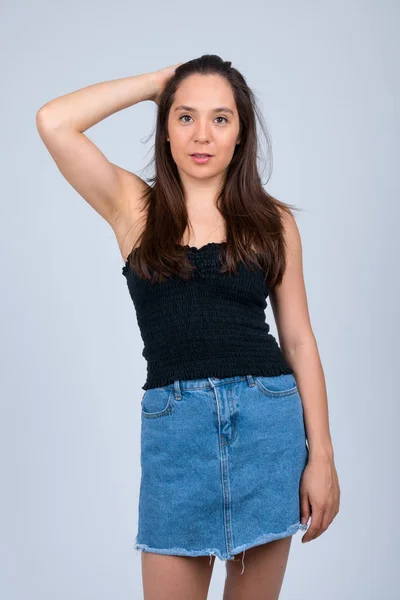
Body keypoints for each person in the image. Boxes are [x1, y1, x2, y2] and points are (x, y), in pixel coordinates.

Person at [36, 54, 340, 600]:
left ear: (241, 133)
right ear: (166, 128)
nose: (203, 134)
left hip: (267, 426)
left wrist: (322, 457)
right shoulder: (134, 209)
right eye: (185, 116)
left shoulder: (274, 223)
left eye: (221, 118)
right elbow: (54, 121)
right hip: (177, 435)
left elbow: (299, 339)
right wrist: (157, 83)